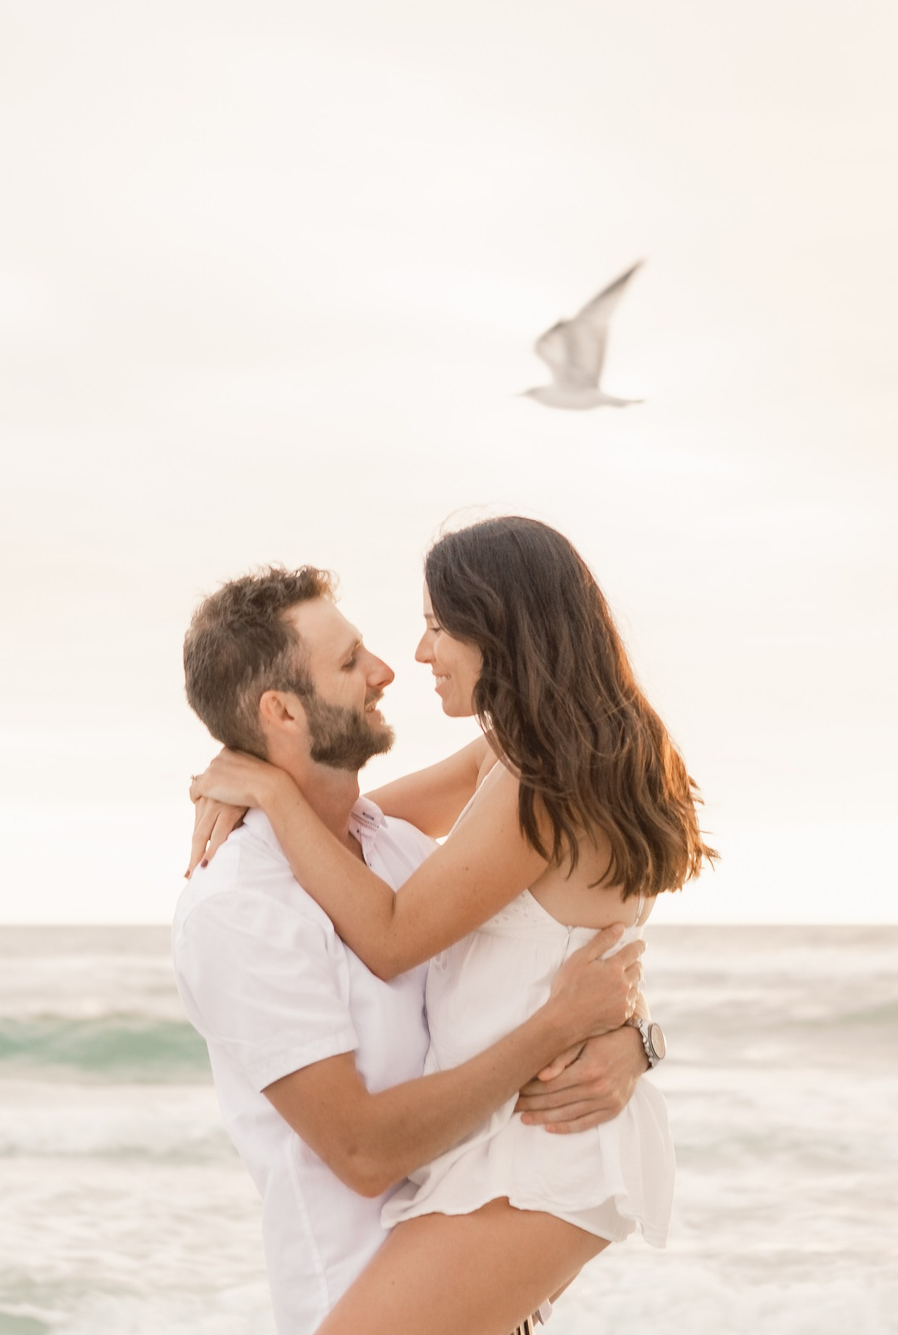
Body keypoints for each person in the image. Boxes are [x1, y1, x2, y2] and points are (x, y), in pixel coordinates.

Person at [189, 517, 712, 1335]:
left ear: (496, 624)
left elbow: (391, 931)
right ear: (280, 709)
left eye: (437, 624)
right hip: (518, 1152)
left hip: (537, 1150)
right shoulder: (508, 764)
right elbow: (354, 824)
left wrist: (275, 792)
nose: (415, 655)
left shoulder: (541, 779)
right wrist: (258, 781)